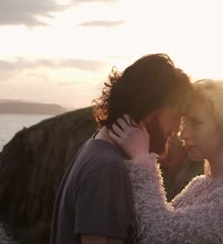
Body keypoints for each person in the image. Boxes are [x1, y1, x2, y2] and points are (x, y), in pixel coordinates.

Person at [50, 53, 192, 244]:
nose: (176, 129)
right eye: (174, 116)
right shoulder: (107, 167)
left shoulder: (97, 147)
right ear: (149, 111)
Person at [109, 79, 223, 244]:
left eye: (196, 123)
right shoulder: (200, 183)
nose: (183, 134)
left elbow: (157, 234)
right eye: (184, 123)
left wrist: (141, 159)